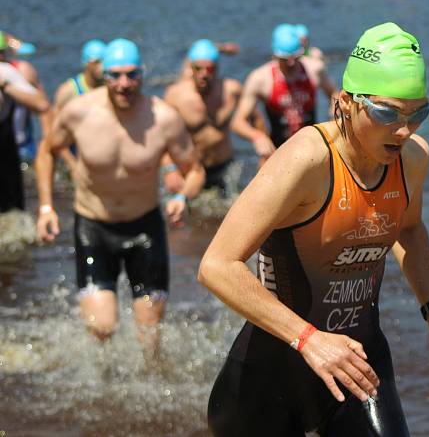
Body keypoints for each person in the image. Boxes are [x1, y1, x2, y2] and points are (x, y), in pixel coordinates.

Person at [199, 22, 429, 436]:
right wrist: (309, 339)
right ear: (346, 102)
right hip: (267, 378)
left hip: (359, 365)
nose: (403, 129)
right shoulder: (306, 161)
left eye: (418, 113)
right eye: (386, 112)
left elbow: (409, 230)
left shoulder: (413, 158)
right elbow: (217, 265)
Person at [35, 38, 205, 361]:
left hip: (145, 227)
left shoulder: (164, 118)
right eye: (115, 75)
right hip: (94, 226)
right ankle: (102, 380)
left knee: (149, 335)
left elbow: (195, 169)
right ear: (104, 75)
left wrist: (182, 196)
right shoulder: (79, 112)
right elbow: (47, 150)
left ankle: (150, 390)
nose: (124, 84)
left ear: (142, 74)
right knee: (102, 328)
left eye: (132, 75)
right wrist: (46, 206)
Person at [231, 24, 337, 165]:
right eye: (285, 59)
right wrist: (257, 137)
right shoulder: (260, 79)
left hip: (312, 147)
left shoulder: (314, 69)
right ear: (275, 55)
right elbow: (237, 122)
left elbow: (334, 93)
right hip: (277, 151)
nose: (291, 63)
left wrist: (335, 111)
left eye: (296, 57)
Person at [162, 39, 246, 196]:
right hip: (192, 169)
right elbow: (162, 138)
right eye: (198, 69)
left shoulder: (232, 89)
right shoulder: (176, 95)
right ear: (190, 68)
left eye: (210, 69)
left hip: (224, 166)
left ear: (217, 68)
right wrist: (169, 169)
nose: (204, 74)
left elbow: (255, 119)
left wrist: (264, 147)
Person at [0, 33, 50, 213]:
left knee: (14, 209)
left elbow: (43, 104)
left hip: (18, 147)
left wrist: (47, 140)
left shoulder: (12, 72)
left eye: (2, 53)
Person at [53, 39, 107, 173]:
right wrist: (71, 163)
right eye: (97, 62)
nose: (102, 67)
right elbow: (54, 133)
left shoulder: (112, 89)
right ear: (86, 63)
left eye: (105, 61)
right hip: (77, 156)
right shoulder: (68, 91)